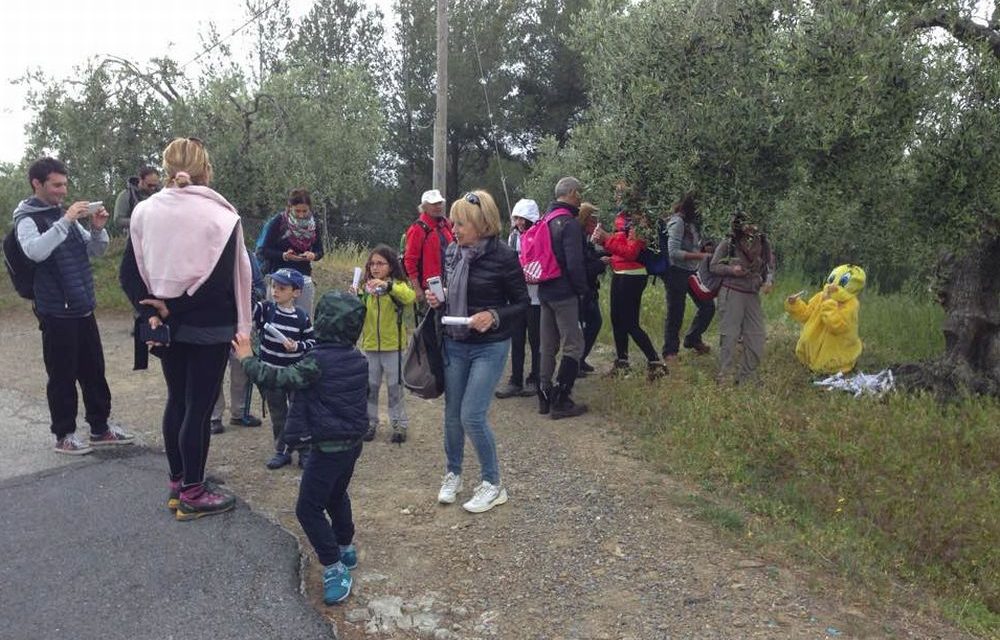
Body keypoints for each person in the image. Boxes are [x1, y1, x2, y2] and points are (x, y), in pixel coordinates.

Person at [120, 137, 253, 520]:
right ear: (205, 170)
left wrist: (152, 309)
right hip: (208, 326)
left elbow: (129, 273)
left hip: (163, 328)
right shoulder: (221, 217)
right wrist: (174, 307)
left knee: (177, 399)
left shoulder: (144, 212)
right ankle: (194, 492)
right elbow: (217, 284)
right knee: (199, 406)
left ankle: (179, 482)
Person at [233, 291, 368, 605]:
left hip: (328, 447)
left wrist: (247, 359)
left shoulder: (317, 361)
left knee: (307, 508)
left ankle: (334, 567)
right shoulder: (356, 357)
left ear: (322, 321)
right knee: (335, 494)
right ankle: (346, 548)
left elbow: (280, 378)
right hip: (352, 445)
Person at [14, 157, 133, 455]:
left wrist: (96, 228)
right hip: (55, 311)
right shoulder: (27, 218)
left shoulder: (59, 213)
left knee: (94, 371)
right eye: (56, 185)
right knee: (62, 375)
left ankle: (100, 428)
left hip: (82, 306)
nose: (62, 191)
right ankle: (63, 435)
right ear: (37, 184)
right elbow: (34, 253)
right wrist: (66, 220)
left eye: (65, 184)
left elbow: (95, 250)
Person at [425, 190, 528, 513]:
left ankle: (493, 483)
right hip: (455, 341)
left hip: (490, 346)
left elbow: (523, 305)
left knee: (471, 414)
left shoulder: (505, 256)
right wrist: (437, 300)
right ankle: (453, 473)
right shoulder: (453, 252)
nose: (453, 229)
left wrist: (494, 316)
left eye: (460, 224)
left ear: (482, 223)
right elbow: (450, 290)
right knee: (452, 414)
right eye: (453, 223)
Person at [590, 183, 668, 381]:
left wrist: (607, 239)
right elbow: (620, 247)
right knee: (617, 320)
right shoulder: (622, 218)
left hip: (633, 275)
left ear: (630, 196)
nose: (616, 197)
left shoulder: (640, 220)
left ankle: (656, 363)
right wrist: (601, 242)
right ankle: (622, 363)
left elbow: (632, 252)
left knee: (630, 322)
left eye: (619, 194)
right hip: (620, 272)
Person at [535, 177, 592, 418]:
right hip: (564, 292)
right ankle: (562, 397)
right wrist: (583, 291)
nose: (580, 197)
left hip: (544, 290)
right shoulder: (569, 223)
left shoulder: (544, 220)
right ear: (569, 193)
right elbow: (574, 264)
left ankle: (544, 393)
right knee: (573, 344)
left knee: (547, 345)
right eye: (578, 192)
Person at [255, 268, 317, 469]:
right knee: (278, 413)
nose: (276, 291)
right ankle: (282, 451)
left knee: (298, 412)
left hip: (294, 374)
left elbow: (311, 342)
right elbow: (247, 311)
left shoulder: (302, 317)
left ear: (296, 293)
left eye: (282, 288)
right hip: (272, 374)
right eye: (274, 286)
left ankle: (305, 451)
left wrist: (297, 346)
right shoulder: (266, 310)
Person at [353, 245, 416, 444]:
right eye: (372, 263)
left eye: (380, 263)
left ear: (391, 265)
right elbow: (358, 312)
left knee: (395, 388)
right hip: (370, 346)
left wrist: (388, 287)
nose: (375, 267)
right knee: (370, 388)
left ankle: (398, 425)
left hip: (393, 347)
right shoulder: (367, 287)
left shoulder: (398, 286)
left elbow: (410, 297)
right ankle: (370, 424)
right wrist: (355, 296)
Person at [710, 210, 775, 384]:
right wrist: (731, 270)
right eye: (748, 223)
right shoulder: (729, 242)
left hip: (752, 293)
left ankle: (748, 375)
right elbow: (713, 266)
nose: (752, 227)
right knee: (729, 335)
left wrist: (768, 281)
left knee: (757, 335)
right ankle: (725, 375)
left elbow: (770, 265)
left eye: (754, 223)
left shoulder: (763, 241)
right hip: (732, 292)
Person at [494, 198, 541, 399]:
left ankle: (536, 377)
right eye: (517, 218)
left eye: (523, 218)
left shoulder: (540, 236)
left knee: (536, 339)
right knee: (517, 338)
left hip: (537, 297)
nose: (520, 222)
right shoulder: (513, 238)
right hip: (517, 298)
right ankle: (516, 379)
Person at [662, 192, 715, 361]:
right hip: (676, 272)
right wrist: (699, 257)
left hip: (691, 271)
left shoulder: (691, 224)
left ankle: (692, 338)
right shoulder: (677, 222)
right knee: (676, 311)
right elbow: (673, 252)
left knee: (707, 306)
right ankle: (670, 351)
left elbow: (691, 247)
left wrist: (702, 251)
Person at [259, 188, 324, 315]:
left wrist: (313, 255)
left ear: (310, 209)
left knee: (302, 318)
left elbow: (320, 251)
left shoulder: (314, 225)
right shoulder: (278, 222)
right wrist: (284, 256)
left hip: (303, 278)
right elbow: (265, 250)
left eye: (304, 211)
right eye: (297, 211)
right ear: (290, 207)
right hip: (279, 276)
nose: (301, 215)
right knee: (275, 317)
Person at [402, 189, 454, 303]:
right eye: (434, 204)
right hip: (430, 288)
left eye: (439, 203)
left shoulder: (446, 224)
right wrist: (417, 289)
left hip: (450, 282)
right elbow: (410, 261)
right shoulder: (417, 229)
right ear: (424, 207)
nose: (438, 206)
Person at [576, 202, 608, 375]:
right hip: (583, 289)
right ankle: (576, 362)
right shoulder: (577, 237)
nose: (595, 227)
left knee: (594, 323)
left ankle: (580, 359)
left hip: (589, 289)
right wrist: (600, 263)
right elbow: (583, 266)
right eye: (592, 223)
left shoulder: (584, 238)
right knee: (586, 324)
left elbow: (590, 256)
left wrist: (604, 253)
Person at [112, 166, 160, 233]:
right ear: (141, 180)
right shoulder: (126, 195)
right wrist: (141, 222)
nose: (153, 188)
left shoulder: (160, 195)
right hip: (134, 238)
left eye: (155, 185)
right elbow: (118, 220)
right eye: (150, 185)